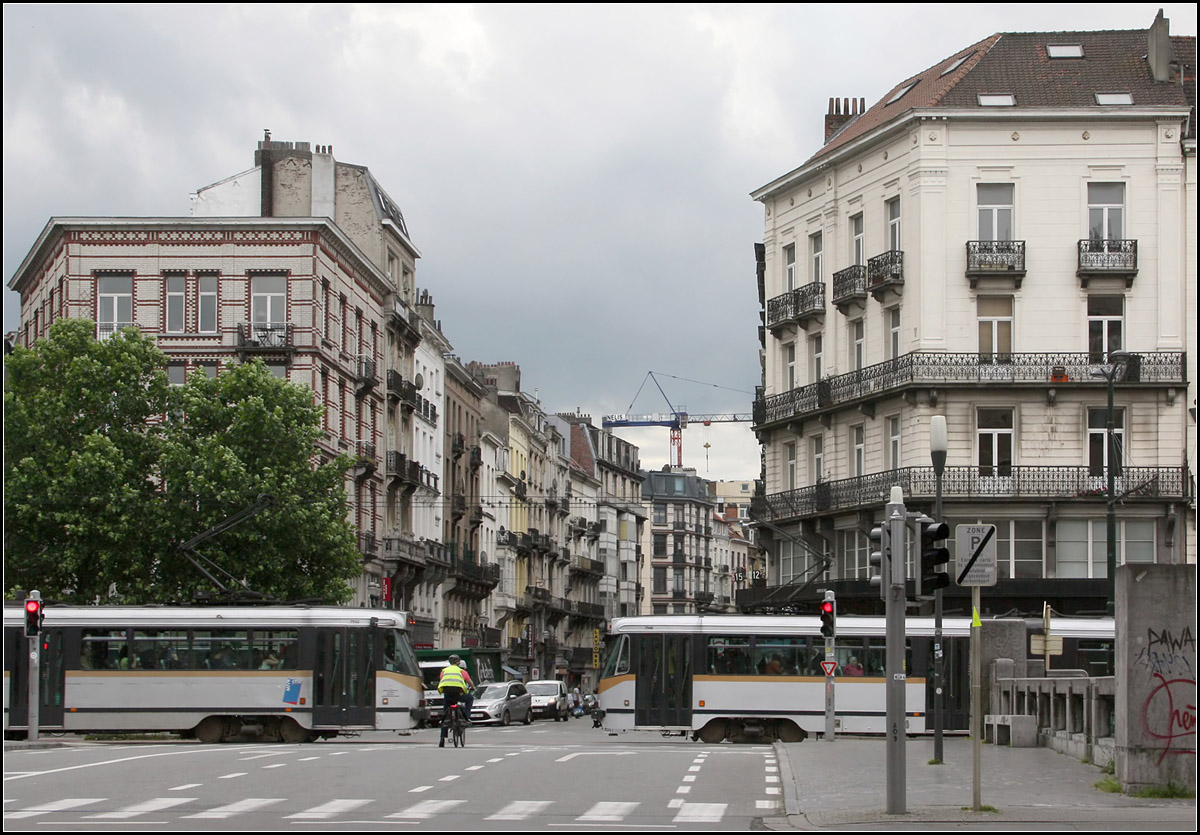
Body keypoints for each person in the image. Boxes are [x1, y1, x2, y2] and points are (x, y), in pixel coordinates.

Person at [437, 654, 471, 747]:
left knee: (445, 715)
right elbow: (469, 681)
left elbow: (442, 680)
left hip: (447, 693)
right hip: (458, 694)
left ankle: (442, 738)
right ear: (458, 662)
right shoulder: (461, 671)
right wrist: (472, 687)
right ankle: (467, 717)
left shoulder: (444, 670)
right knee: (469, 699)